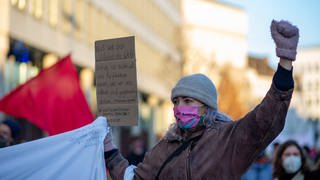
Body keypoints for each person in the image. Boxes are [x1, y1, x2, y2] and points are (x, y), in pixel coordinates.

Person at [103, 19, 299, 179]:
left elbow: (265, 121)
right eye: (176, 101)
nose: (179, 107)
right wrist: (109, 149)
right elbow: (135, 178)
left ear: (206, 106)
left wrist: (285, 63)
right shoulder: (165, 146)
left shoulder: (228, 139)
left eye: (187, 101)